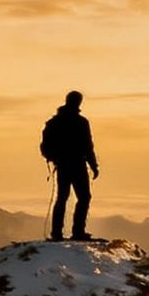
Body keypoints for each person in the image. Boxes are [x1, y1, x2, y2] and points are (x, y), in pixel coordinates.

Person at [40, 90, 99, 240]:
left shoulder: (54, 122)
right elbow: (88, 146)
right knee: (84, 197)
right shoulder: (81, 122)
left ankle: (57, 233)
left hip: (63, 165)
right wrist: (94, 166)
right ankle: (78, 231)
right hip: (78, 164)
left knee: (62, 198)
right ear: (79, 102)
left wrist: (54, 158)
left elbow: (44, 146)